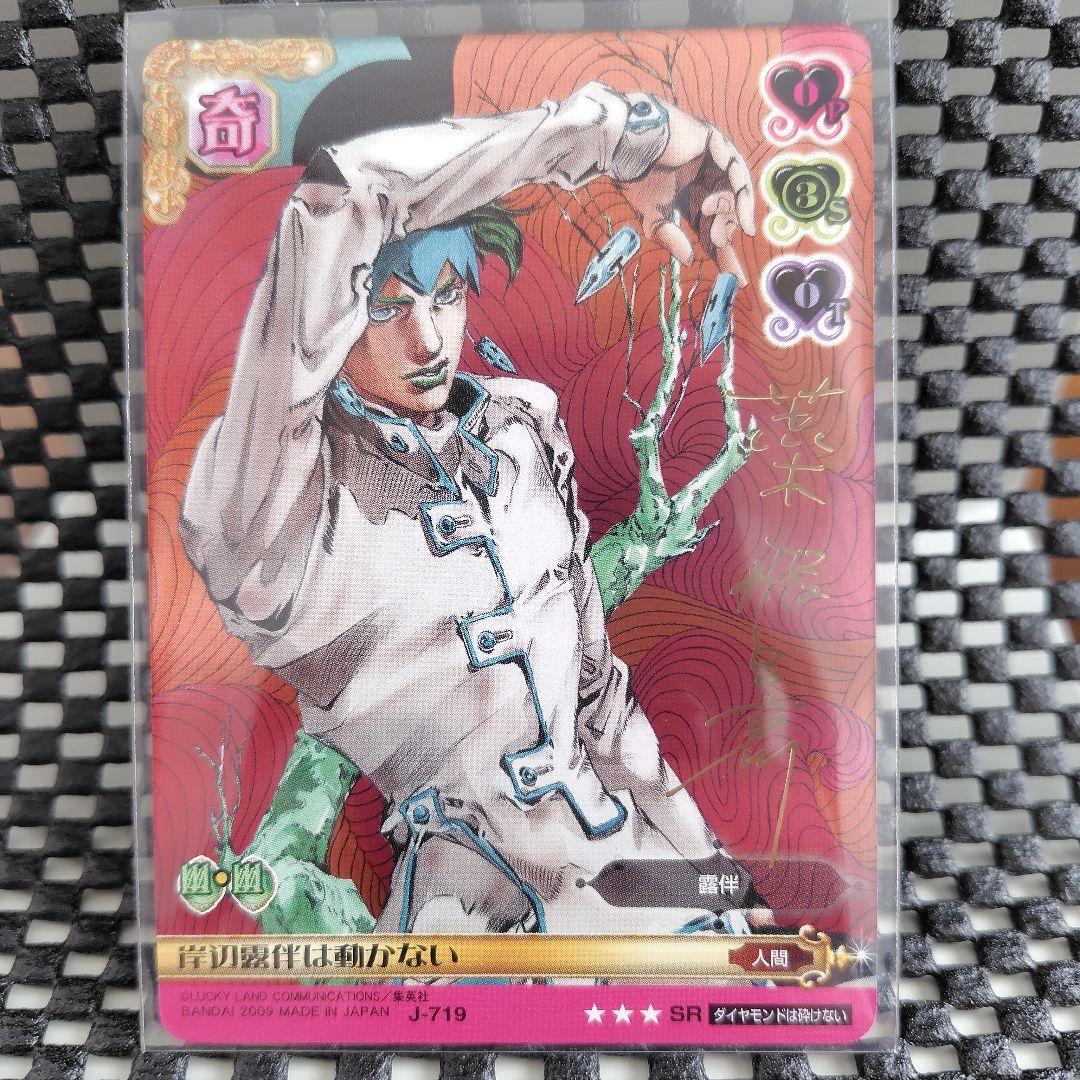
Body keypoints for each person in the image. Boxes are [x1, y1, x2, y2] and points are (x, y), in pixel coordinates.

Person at [181, 81, 767, 935]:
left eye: (447, 294)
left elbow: (599, 702)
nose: (427, 341)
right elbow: (353, 194)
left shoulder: (520, 430)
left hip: (647, 887)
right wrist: (615, 133)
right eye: (387, 307)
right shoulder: (268, 500)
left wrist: (724, 890)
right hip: (473, 931)